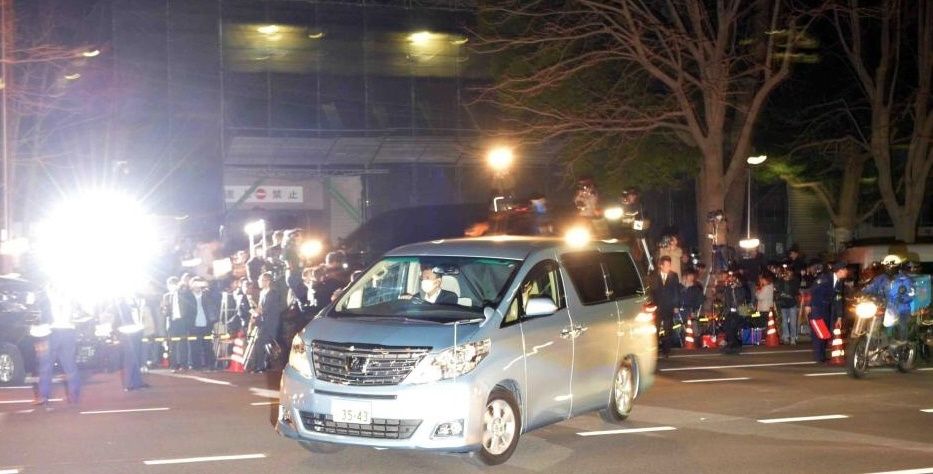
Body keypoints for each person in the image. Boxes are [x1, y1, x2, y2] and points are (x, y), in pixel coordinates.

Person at [34, 283, 82, 406]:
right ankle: (74, 397)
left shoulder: (48, 299)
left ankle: (44, 397)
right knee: (69, 365)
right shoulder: (72, 299)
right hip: (66, 332)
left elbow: (42, 318)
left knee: (46, 366)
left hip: (53, 332)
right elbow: (80, 315)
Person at [806, 261, 848, 364]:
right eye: (845, 269)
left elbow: (838, 299)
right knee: (818, 333)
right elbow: (812, 290)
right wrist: (808, 304)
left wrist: (839, 317)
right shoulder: (825, 278)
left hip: (826, 309)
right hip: (816, 308)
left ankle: (822, 356)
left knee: (825, 333)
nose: (847, 271)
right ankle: (819, 357)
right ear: (839, 271)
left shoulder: (839, 283)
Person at [251, 271, 285, 373]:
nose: (259, 282)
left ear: (268, 281)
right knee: (262, 344)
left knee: (261, 342)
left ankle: (261, 366)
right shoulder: (262, 293)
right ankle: (262, 365)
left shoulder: (273, 294)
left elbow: (268, 309)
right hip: (263, 323)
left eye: (261, 280)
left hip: (271, 324)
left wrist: (257, 311)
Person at [113, 297, 148, 391]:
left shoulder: (136, 300)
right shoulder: (121, 303)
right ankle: (129, 383)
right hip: (128, 331)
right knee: (130, 358)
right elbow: (118, 318)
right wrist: (118, 331)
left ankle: (138, 382)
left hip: (137, 330)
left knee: (136, 357)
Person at [649, 256, 681, 357]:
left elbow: (676, 291)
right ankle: (654, 350)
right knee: (655, 329)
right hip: (657, 306)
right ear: (661, 265)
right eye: (666, 265)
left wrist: (676, 305)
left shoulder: (674, 275)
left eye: (669, 265)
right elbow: (651, 291)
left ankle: (666, 350)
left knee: (668, 328)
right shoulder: (654, 276)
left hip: (668, 305)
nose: (668, 267)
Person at [188, 276, 218, 370]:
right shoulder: (188, 296)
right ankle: (196, 366)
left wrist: (206, 285)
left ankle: (211, 365)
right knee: (195, 346)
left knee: (208, 345)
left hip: (206, 324)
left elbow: (215, 295)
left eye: (199, 284)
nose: (197, 286)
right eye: (195, 284)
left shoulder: (206, 295)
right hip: (194, 324)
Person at [721, 271, 749, 355]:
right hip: (730, 311)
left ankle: (734, 345)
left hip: (739, 311)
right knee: (727, 326)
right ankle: (732, 344)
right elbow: (726, 298)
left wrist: (736, 288)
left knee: (733, 327)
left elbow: (741, 299)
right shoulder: (728, 289)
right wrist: (728, 287)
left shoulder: (741, 289)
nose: (732, 280)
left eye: (734, 279)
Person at [887, 261, 915, 344]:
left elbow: (911, 295)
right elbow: (884, 289)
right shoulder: (892, 278)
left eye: (908, 268)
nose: (906, 270)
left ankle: (903, 342)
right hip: (890, 306)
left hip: (903, 308)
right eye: (905, 268)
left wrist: (903, 299)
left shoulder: (909, 281)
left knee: (902, 323)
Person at [774, 264, 801, 344]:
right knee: (784, 321)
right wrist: (782, 280)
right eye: (786, 271)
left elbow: (795, 290)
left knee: (793, 322)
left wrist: (789, 282)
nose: (787, 273)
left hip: (792, 302)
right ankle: (786, 337)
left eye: (789, 271)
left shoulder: (795, 280)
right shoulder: (781, 280)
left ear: (792, 272)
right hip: (783, 302)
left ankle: (793, 338)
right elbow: (778, 288)